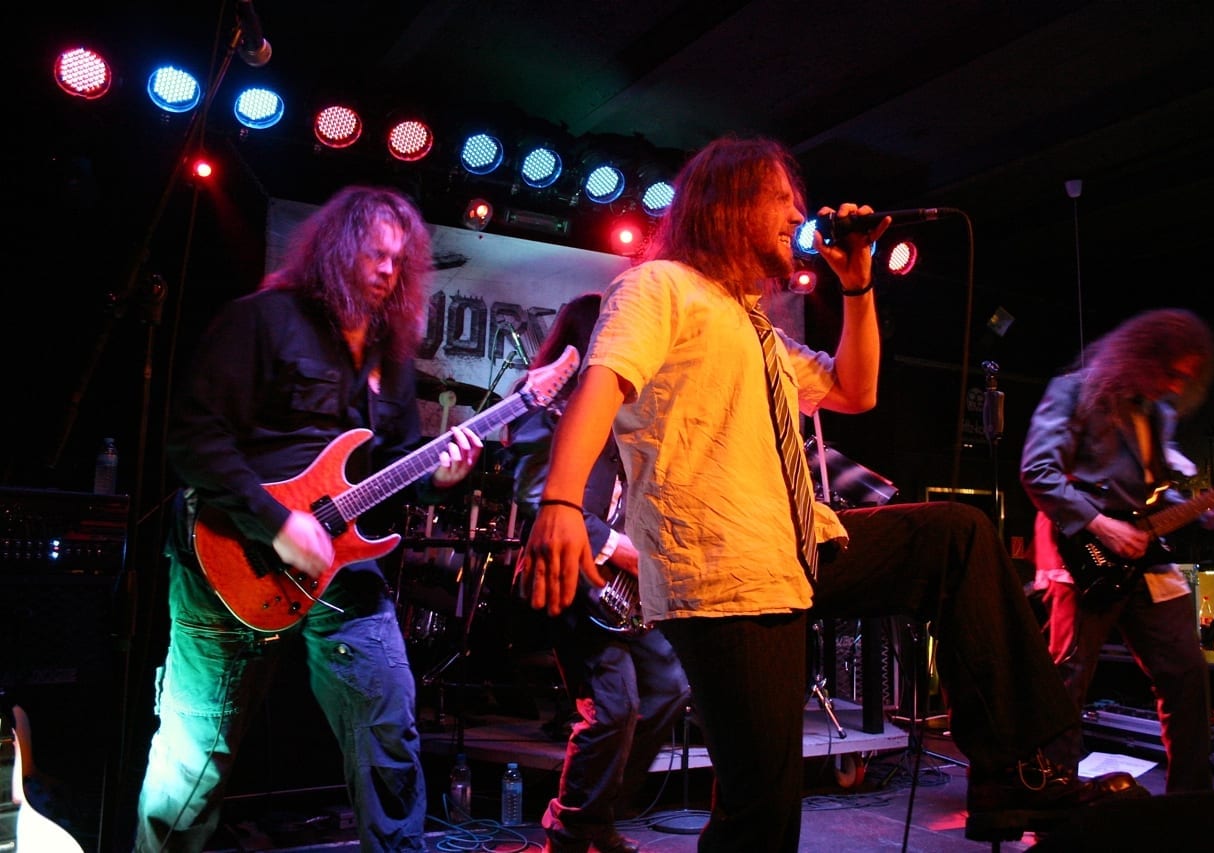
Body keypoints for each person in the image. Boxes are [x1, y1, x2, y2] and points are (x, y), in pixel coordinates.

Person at [518, 135, 1145, 851]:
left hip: (795, 546)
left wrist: (857, 283)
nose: (798, 213)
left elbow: (855, 389)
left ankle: (1018, 770)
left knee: (956, 535)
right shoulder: (659, 285)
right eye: (779, 198)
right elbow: (602, 384)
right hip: (724, 572)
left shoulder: (754, 324)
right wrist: (560, 503)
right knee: (762, 809)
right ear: (728, 206)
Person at [134, 186, 485, 852]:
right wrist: (276, 522)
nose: (388, 269)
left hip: (342, 567)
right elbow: (193, 437)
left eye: (399, 259)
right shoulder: (264, 320)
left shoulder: (389, 357)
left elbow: (394, 471)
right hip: (229, 554)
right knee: (193, 758)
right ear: (337, 249)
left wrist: (439, 479)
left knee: (388, 731)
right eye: (375, 253)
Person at [1020, 308, 1214, 793]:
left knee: (1186, 672)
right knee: (1068, 677)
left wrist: (1207, 512)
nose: (1176, 386)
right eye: (1171, 373)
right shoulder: (1075, 392)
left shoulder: (1158, 412)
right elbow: (1038, 471)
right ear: (1143, 357)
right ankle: (1051, 793)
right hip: (1083, 552)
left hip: (1145, 554)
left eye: (1185, 378)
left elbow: (1153, 492)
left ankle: (1191, 797)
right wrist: (1101, 525)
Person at [504, 293, 690, 853]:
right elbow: (538, 495)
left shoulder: (624, 408)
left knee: (669, 689)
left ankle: (595, 817)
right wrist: (618, 548)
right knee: (614, 705)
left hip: (624, 590)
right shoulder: (541, 399)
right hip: (570, 576)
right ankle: (572, 829)